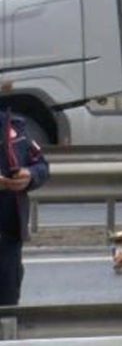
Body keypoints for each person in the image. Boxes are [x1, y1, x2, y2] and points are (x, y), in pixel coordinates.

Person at [0, 109, 50, 306]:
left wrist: (29, 175)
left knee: (8, 302)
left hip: (8, 234)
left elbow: (41, 166)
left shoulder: (13, 127)